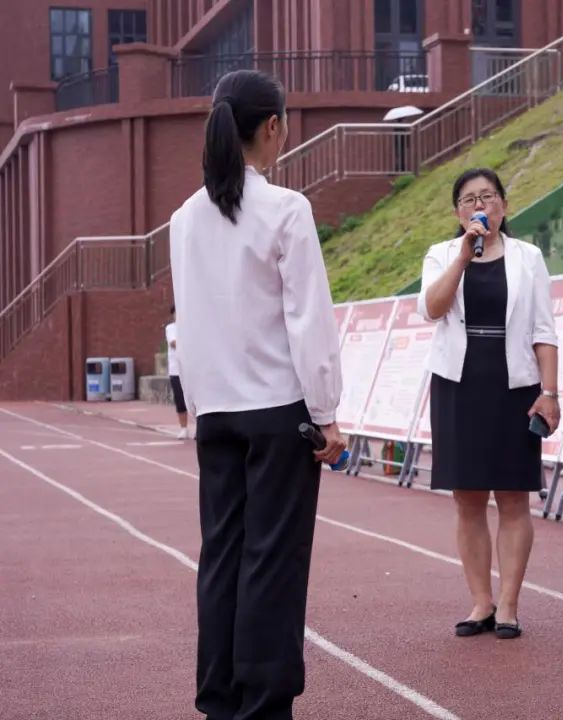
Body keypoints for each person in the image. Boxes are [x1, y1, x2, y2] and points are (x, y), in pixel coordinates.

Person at [169, 69, 346, 720]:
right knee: (272, 562)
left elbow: (187, 321)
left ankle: (219, 700)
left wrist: (198, 403)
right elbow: (308, 319)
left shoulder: (184, 219)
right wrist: (327, 413)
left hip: (216, 413)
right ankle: (264, 707)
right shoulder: (286, 209)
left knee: (221, 556)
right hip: (276, 413)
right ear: (272, 127)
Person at [420, 167, 560, 640]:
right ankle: (481, 601)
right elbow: (432, 308)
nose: (480, 206)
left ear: (504, 204)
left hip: (515, 384)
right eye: (469, 199)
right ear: (457, 211)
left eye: (488, 196)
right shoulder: (442, 254)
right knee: (468, 499)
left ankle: (509, 605)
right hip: (458, 384)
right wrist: (463, 256)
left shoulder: (528, 257)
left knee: (514, 496)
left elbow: (544, 330)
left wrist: (549, 392)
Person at [164, 305, 191, 440]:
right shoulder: (171, 328)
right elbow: (174, 343)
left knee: (195, 401)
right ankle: (184, 428)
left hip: (191, 370)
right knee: (180, 399)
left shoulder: (191, 327)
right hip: (176, 370)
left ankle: (199, 428)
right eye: (175, 313)